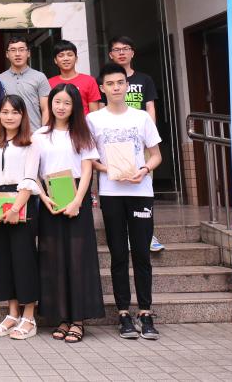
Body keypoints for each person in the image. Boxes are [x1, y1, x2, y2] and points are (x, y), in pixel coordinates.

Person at [89, 62, 164, 341]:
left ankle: (145, 312)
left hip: (140, 191)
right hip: (111, 193)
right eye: (110, 84)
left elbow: (156, 155)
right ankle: (123, 313)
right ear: (102, 88)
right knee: (118, 254)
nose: (116, 88)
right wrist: (107, 169)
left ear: (127, 86)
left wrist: (144, 170)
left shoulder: (141, 117)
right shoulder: (93, 120)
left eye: (120, 83)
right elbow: (90, 159)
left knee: (142, 253)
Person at [34, 83, 104, 344]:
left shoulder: (82, 134)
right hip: (50, 198)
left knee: (78, 258)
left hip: (76, 197)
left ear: (74, 106)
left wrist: (77, 201)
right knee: (53, 257)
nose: (61, 107)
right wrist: (44, 198)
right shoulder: (40, 135)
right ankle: (62, 317)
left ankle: (78, 320)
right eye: (57, 102)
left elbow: (87, 170)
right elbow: (33, 171)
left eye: (66, 103)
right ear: (50, 104)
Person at [0, 95, 41, 341]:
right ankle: (12, 313)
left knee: (24, 259)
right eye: (5, 112)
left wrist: (16, 208)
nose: (9, 116)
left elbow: (30, 178)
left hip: (22, 204)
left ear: (22, 115)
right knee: (3, 260)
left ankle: (29, 316)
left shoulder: (31, 142)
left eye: (14, 112)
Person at [106, 35, 165, 253]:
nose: (121, 53)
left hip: (141, 143)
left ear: (132, 52)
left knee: (144, 187)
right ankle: (126, 234)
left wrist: (148, 137)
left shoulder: (144, 79)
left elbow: (150, 108)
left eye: (126, 48)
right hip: (115, 144)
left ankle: (148, 234)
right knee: (117, 188)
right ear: (110, 54)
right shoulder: (106, 80)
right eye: (117, 49)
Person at [0, 37, 50, 130]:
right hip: (9, 134)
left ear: (28, 53)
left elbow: (46, 109)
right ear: (7, 54)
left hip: (33, 132)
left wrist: (43, 133)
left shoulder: (40, 77)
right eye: (13, 50)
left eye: (21, 50)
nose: (17, 54)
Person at [47, 40, 101, 115]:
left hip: (83, 122)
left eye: (70, 55)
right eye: (61, 56)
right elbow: (48, 110)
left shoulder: (89, 80)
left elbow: (94, 113)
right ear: (55, 60)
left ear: (76, 58)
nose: (66, 58)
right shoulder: (48, 83)